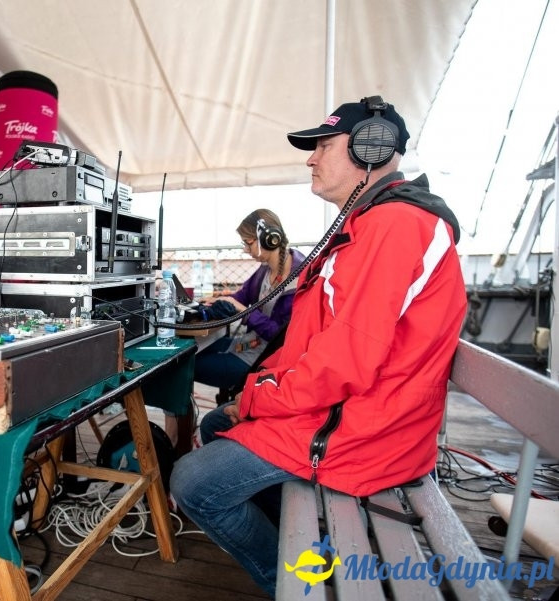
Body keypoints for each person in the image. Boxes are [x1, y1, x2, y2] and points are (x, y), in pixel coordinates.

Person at [169, 97, 467, 595]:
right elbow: (318, 343)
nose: (310, 158)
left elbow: (344, 364)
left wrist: (260, 395)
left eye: (322, 145)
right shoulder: (368, 225)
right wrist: (258, 388)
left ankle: (303, 587)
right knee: (222, 419)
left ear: (371, 149)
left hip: (364, 430)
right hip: (353, 412)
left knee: (193, 483)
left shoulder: (393, 227)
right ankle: (301, 552)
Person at [193, 209, 305, 398]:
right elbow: (242, 296)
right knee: (189, 353)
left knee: (187, 366)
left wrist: (245, 312)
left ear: (269, 239)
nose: (246, 249)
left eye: (248, 242)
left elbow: (279, 337)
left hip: (264, 360)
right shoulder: (265, 270)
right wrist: (218, 301)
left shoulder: (298, 280)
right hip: (249, 345)